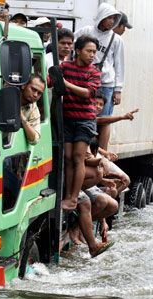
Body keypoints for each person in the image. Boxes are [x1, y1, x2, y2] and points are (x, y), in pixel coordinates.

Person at [49, 35, 101, 210]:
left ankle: (73, 198)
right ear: (78, 51)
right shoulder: (65, 67)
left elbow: (88, 93)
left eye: (94, 52)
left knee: (79, 158)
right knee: (68, 158)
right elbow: (51, 81)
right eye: (89, 51)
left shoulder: (94, 72)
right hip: (67, 118)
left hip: (85, 120)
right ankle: (67, 196)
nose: (92, 55)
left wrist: (65, 84)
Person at [74, 3, 124, 151]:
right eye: (109, 17)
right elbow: (72, 44)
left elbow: (119, 64)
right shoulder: (87, 31)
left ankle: (102, 154)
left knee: (104, 120)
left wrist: (118, 89)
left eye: (114, 18)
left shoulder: (116, 39)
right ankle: (86, 150)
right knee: (85, 116)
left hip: (106, 83)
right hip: (85, 81)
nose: (111, 21)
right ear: (101, 16)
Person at [21, 74, 45, 144]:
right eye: (33, 89)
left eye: (39, 93)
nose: (35, 95)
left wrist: (22, 118)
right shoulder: (8, 95)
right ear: (23, 85)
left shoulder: (33, 108)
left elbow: (34, 140)